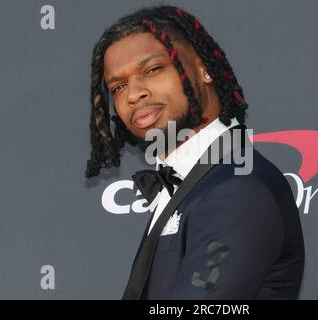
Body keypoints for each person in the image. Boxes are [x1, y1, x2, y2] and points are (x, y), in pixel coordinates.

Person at [85, 5, 304, 299]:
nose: (133, 93)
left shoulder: (238, 190)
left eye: (152, 70)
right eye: (119, 86)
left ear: (204, 69)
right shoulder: (190, 183)